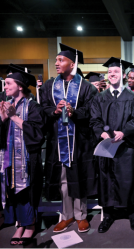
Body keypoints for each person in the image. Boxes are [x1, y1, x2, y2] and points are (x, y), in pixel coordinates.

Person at [40, 43, 98, 233]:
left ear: (72, 64)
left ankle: (81, 215)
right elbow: (44, 109)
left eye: (61, 60)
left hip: (80, 140)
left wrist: (75, 112)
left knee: (79, 177)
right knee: (63, 180)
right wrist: (54, 111)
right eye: (56, 59)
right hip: (58, 140)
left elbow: (91, 111)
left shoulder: (86, 87)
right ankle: (66, 215)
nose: (56, 63)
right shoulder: (50, 85)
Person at [90, 57, 134, 233]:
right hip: (106, 146)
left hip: (126, 146)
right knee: (107, 179)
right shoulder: (99, 98)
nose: (112, 74)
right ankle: (108, 215)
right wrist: (101, 133)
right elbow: (94, 120)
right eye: (110, 72)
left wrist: (124, 132)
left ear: (123, 75)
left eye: (116, 72)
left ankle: (132, 213)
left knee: (128, 178)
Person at [0, 65, 44, 245]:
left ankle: (30, 224)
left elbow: (37, 134)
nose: (5, 87)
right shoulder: (6, 105)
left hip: (27, 159)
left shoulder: (33, 107)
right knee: (12, 191)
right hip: (7, 157)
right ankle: (20, 224)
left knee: (26, 191)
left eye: (8, 83)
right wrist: (2, 118)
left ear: (20, 86)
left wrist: (13, 117)